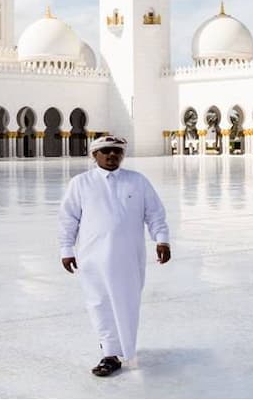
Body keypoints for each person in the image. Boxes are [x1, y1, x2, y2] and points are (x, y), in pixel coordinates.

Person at [59, 134, 171, 377]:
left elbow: (154, 213)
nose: (112, 155)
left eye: (117, 152)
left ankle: (125, 349)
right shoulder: (81, 183)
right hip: (93, 257)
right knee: (99, 303)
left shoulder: (137, 181)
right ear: (94, 155)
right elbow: (68, 219)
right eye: (106, 151)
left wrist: (161, 239)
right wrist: (66, 248)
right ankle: (110, 354)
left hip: (129, 258)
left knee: (127, 303)